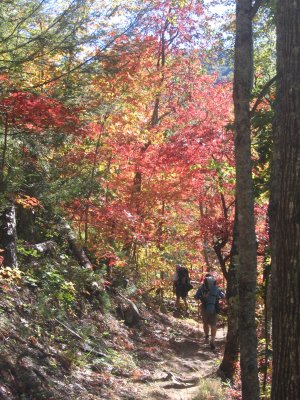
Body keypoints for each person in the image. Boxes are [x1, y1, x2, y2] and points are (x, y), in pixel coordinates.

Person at [195, 273, 225, 349]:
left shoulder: (201, 288)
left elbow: (196, 297)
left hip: (204, 308)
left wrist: (201, 297)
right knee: (213, 324)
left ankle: (206, 336)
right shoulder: (216, 288)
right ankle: (212, 340)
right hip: (214, 308)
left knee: (205, 323)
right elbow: (222, 296)